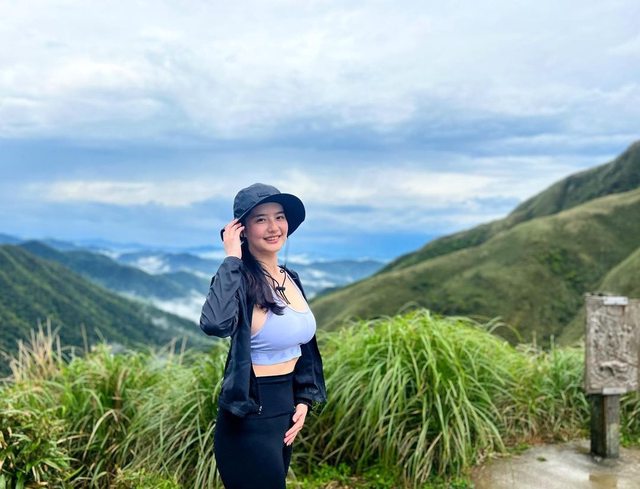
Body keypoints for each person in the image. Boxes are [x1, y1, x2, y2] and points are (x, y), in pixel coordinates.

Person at [199, 183, 327, 489]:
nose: (273, 227)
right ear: (241, 229)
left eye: (279, 217)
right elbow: (215, 323)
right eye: (260, 219)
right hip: (249, 419)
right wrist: (232, 258)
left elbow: (303, 346)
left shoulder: (290, 278)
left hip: (284, 416)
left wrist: (303, 398)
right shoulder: (237, 279)